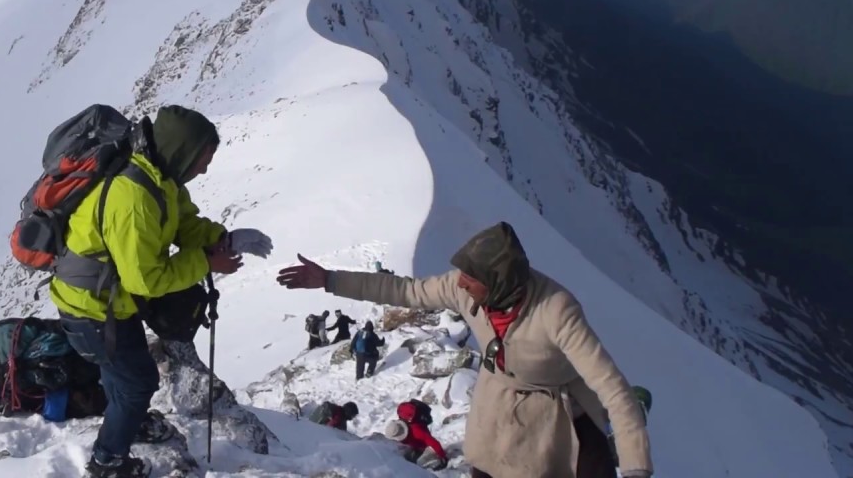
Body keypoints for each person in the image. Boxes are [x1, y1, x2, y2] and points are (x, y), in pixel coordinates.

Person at [276, 221, 653, 478]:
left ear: (498, 283)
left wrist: (636, 468)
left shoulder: (557, 311)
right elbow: (405, 291)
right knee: (488, 466)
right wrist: (330, 279)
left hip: (560, 411)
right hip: (498, 402)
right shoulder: (464, 289)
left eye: (471, 279)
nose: (460, 284)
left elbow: (613, 389)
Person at [52, 105, 275, 478]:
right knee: (138, 384)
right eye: (203, 160)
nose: (205, 170)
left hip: (111, 302)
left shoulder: (163, 179)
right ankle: (107, 461)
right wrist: (206, 262)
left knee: (123, 379)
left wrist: (224, 238)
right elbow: (147, 281)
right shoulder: (133, 199)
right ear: (182, 151)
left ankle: (126, 423)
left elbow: (183, 224)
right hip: (92, 308)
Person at [384, 399, 447, 469]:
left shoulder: (418, 433)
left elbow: (434, 443)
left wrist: (443, 457)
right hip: (412, 445)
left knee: (411, 463)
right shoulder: (399, 426)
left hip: (419, 447)